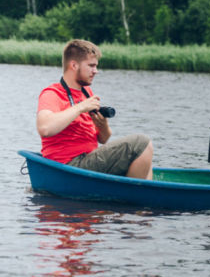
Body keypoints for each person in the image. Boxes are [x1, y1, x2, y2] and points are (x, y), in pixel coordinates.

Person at [36, 39, 154, 179]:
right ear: (74, 65)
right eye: (91, 66)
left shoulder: (87, 93)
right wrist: (80, 107)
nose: (96, 71)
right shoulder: (52, 94)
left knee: (143, 157)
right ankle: (133, 197)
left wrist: (103, 125)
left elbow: (103, 139)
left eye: (96, 66)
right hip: (66, 167)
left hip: (88, 161)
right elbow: (44, 128)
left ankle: (142, 194)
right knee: (141, 143)